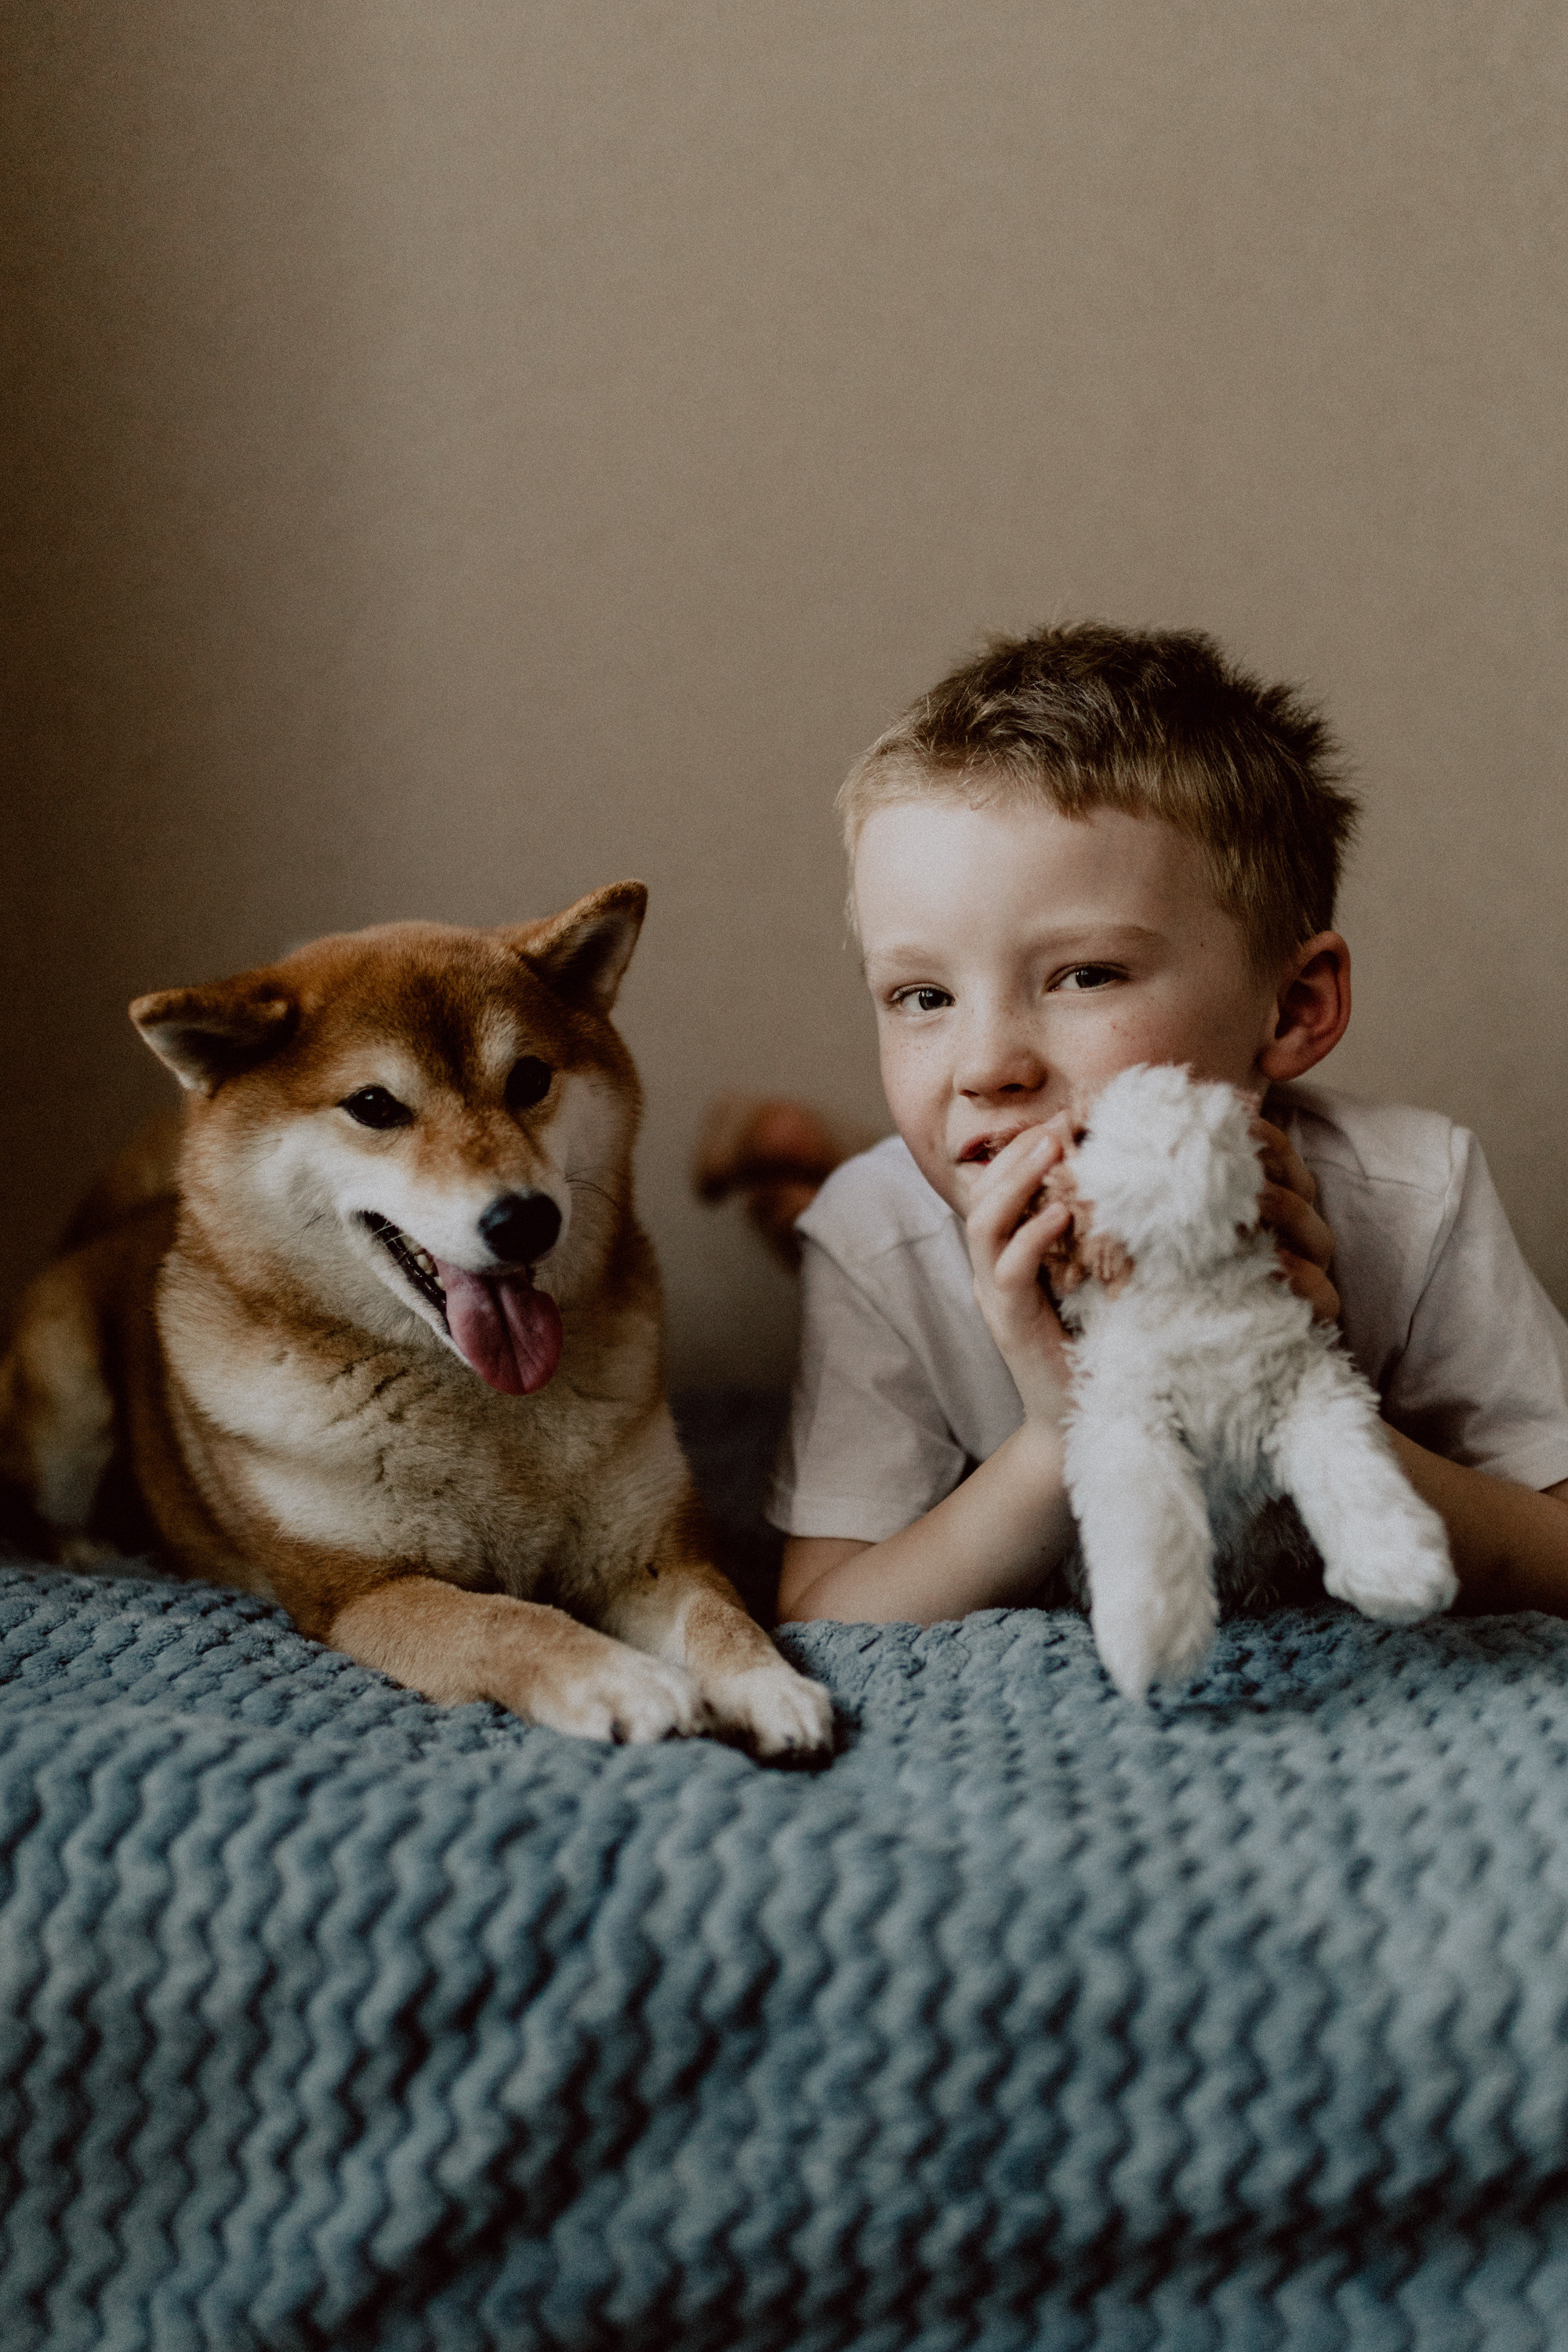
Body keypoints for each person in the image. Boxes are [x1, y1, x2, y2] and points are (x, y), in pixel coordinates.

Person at [693, 623, 1568, 1627]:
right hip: (884, 1210)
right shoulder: (875, 1232)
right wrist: (1051, 1437)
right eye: (921, 996)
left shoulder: (1416, 1191)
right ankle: (791, 1173)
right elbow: (826, 1609)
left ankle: (790, 1156)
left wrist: (1292, 1389)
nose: (985, 1066)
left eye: (1082, 976)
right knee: (851, 1207)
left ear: (1290, 1009)